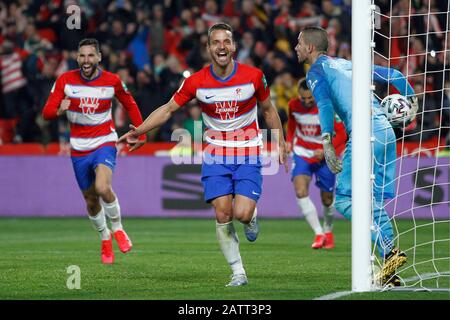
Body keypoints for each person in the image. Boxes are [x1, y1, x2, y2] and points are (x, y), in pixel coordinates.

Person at [119, 23, 287, 287]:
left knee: (241, 213)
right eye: (216, 42)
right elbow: (167, 110)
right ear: (209, 48)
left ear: (233, 47)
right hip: (215, 154)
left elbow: (267, 110)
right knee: (222, 213)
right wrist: (140, 130)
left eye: (227, 41)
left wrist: (280, 142)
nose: (222, 46)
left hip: (248, 151)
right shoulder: (196, 81)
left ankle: (251, 216)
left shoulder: (254, 76)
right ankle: (238, 272)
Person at [295, 26, 418, 285]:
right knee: (372, 201)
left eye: (298, 43)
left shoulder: (316, 72)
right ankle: (390, 266)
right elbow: (395, 74)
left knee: (343, 200)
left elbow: (326, 105)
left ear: (309, 48)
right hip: (386, 132)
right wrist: (411, 104)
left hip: (365, 133)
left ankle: (389, 251)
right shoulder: (346, 64)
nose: (295, 47)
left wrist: (327, 140)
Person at [42, 38, 146, 264]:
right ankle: (104, 237)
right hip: (78, 148)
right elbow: (46, 113)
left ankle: (118, 229)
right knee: (90, 200)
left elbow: (130, 104)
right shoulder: (65, 80)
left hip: (104, 142)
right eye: (82, 55)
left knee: (102, 187)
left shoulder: (112, 81)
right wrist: (59, 109)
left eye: (91, 55)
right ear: (77, 58)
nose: (86, 60)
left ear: (99, 57)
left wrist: (142, 132)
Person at [286, 77, 346, 249]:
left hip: (325, 157)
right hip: (302, 154)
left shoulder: (327, 107)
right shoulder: (293, 105)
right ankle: (319, 233)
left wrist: (327, 149)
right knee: (300, 190)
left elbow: (341, 134)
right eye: (303, 98)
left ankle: (328, 230)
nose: (306, 101)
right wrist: (289, 141)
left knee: (327, 200)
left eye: (309, 98)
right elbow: (292, 125)